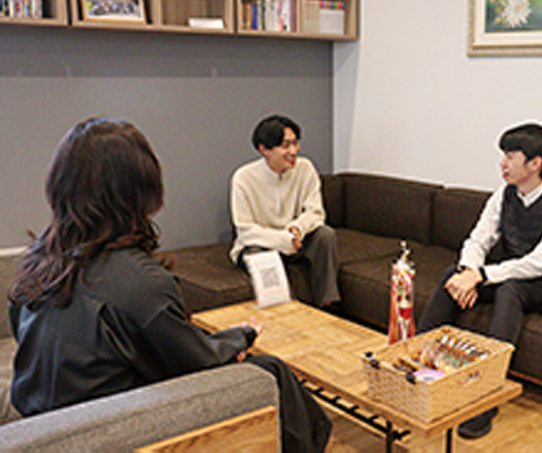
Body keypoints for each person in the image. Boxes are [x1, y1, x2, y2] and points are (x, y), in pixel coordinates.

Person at [8, 117, 331, 452]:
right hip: (114, 425)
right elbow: (195, 361)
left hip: (45, 423)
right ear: (141, 189)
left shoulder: (38, 262)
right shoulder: (141, 283)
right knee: (271, 371)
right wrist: (241, 336)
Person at [418, 122, 542, 439]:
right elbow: (478, 239)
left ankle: (485, 400)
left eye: (510, 156)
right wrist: (469, 271)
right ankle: (418, 367)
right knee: (452, 275)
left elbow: (538, 263)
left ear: (535, 163)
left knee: (511, 290)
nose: (502, 163)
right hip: (515, 275)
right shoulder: (504, 194)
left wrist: (482, 275)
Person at [230, 114, 341, 308]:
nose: (293, 151)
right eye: (285, 146)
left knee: (325, 235)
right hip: (262, 244)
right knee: (258, 255)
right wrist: (284, 240)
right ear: (264, 149)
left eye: (295, 143)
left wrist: (298, 229)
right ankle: (289, 310)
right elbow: (246, 231)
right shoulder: (244, 178)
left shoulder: (305, 168)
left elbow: (315, 213)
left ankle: (328, 304)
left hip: (297, 240)